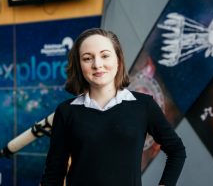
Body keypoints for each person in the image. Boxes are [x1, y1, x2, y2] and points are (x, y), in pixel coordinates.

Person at [40, 28, 186, 186]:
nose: (97, 64)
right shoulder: (66, 111)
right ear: (79, 65)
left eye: (105, 56)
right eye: (87, 58)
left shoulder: (143, 105)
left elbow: (176, 150)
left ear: (118, 60)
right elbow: (54, 173)